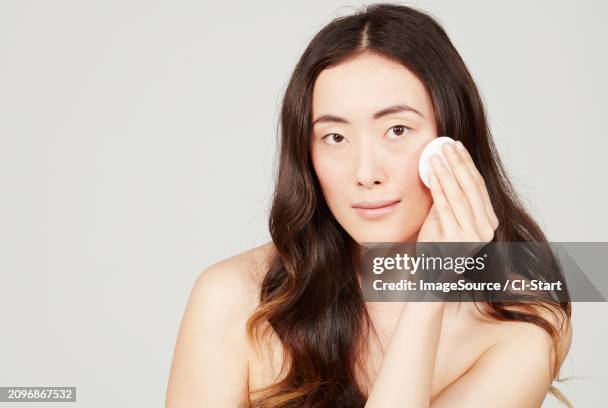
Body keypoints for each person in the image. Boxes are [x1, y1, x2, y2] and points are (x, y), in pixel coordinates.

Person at [165, 3, 572, 407]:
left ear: (453, 137)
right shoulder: (232, 297)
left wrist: (430, 287)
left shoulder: (525, 314)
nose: (365, 173)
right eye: (335, 137)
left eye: (397, 130)